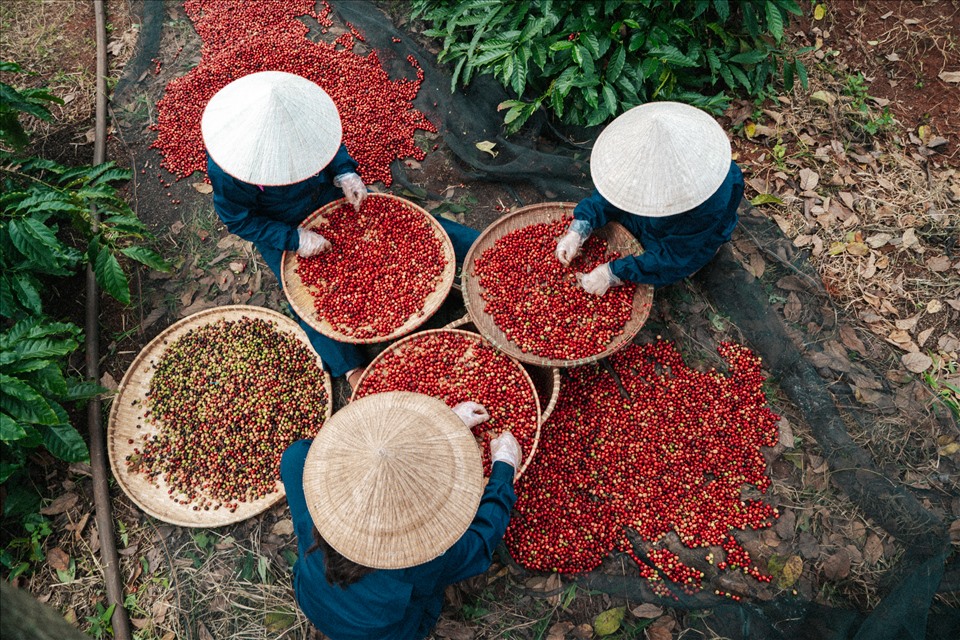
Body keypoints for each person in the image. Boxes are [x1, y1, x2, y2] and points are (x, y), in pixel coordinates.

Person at [201, 71, 480, 389]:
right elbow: (239, 220)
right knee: (309, 302)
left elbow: (330, 146)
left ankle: (482, 247)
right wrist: (294, 238)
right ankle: (351, 369)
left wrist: (345, 173)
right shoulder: (231, 168)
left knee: (408, 226)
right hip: (280, 223)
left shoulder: (305, 118)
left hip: (326, 193)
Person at [280, 391, 521, 639]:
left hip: (312, 601)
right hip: (384, 634)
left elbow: (336, 450)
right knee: (424, 601)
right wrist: (504, 467)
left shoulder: (297, 461)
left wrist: (447, 426)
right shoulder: (420, 561)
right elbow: (481, 541)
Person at [555, 101, 745, 294]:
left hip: (689, 236)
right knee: (624, 225)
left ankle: (708, 254)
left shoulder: (707, 199)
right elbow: (613, 194)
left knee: (669, 265)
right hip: (660, 219)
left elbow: (673, 255)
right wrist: (579, 228)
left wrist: (612, 272)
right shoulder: (637, 152)